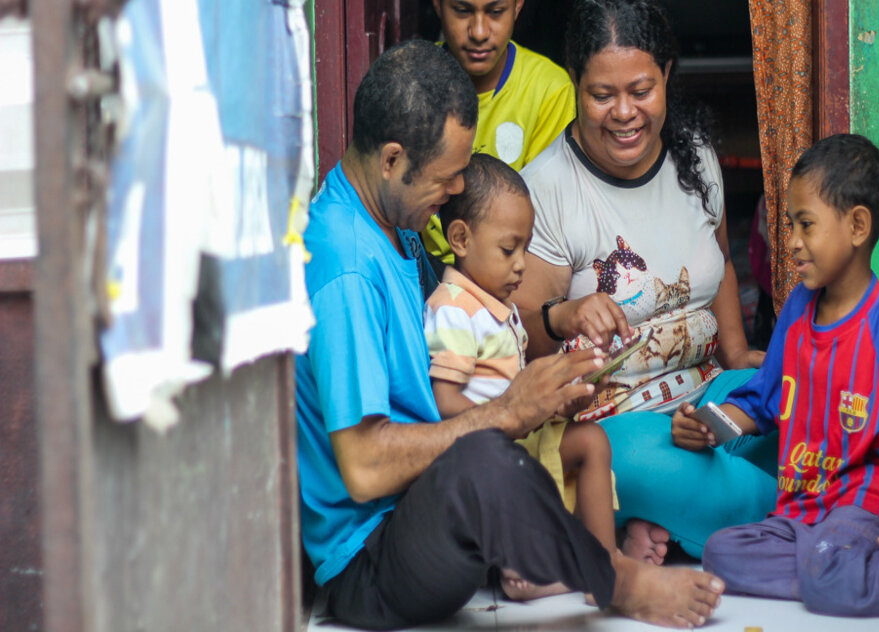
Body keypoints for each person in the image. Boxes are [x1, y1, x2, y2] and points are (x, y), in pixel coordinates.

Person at [295, 39, 726, 630]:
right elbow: (364, 467)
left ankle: (575, 553)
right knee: (485, 458)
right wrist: (504, 412)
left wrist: (551, 364)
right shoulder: (344, 265)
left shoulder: (394, 228)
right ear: (392, 160)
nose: (453, 194)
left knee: (548, 436)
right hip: (372, 560)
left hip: (423, 507)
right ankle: (614, 579)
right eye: (446, 180)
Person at [514, 0, 777, 566]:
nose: (625, 112)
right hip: (616, 425)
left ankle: (665, 515)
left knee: (805, 398)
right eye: (602, 95)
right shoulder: (547, 190)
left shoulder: (697, 156)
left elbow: (719, 261)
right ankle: (795, 514)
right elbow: (526, 340)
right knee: (639, 466)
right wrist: (565, 317)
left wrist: (736, 357)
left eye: (641, 90)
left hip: (705, 395)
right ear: (575, 88)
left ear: (667, 77)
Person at [679, 133, 879, 616]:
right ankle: (838, 575)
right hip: (804, 506)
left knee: (831, 559)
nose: (789, 241)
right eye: (789, 224)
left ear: (857, 226)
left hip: (863, 501)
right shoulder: (796, 310)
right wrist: (709, 427)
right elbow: (761, 403)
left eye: (805, 225)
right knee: (720, 554)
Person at [424, 153, 619, 599]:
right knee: (523, 469)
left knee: (592, 441)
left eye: (525, 249)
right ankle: (524, 571)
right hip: (490, 447)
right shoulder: (454, 308)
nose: (521, 265)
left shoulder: (499, 306)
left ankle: (604, 561)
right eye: (508, 249)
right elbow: (443, 401)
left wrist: (566, 394)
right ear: (461, 238)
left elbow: (517, 379)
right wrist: (505, 417)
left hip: (522, 432)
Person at [422, 0, 576, 264]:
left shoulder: (548, 92)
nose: (478, 31)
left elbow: (546, 223)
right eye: (462, 11)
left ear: (519, 1)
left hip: (515, 282)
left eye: (496, 12)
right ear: (436, 0)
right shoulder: (413, 84)